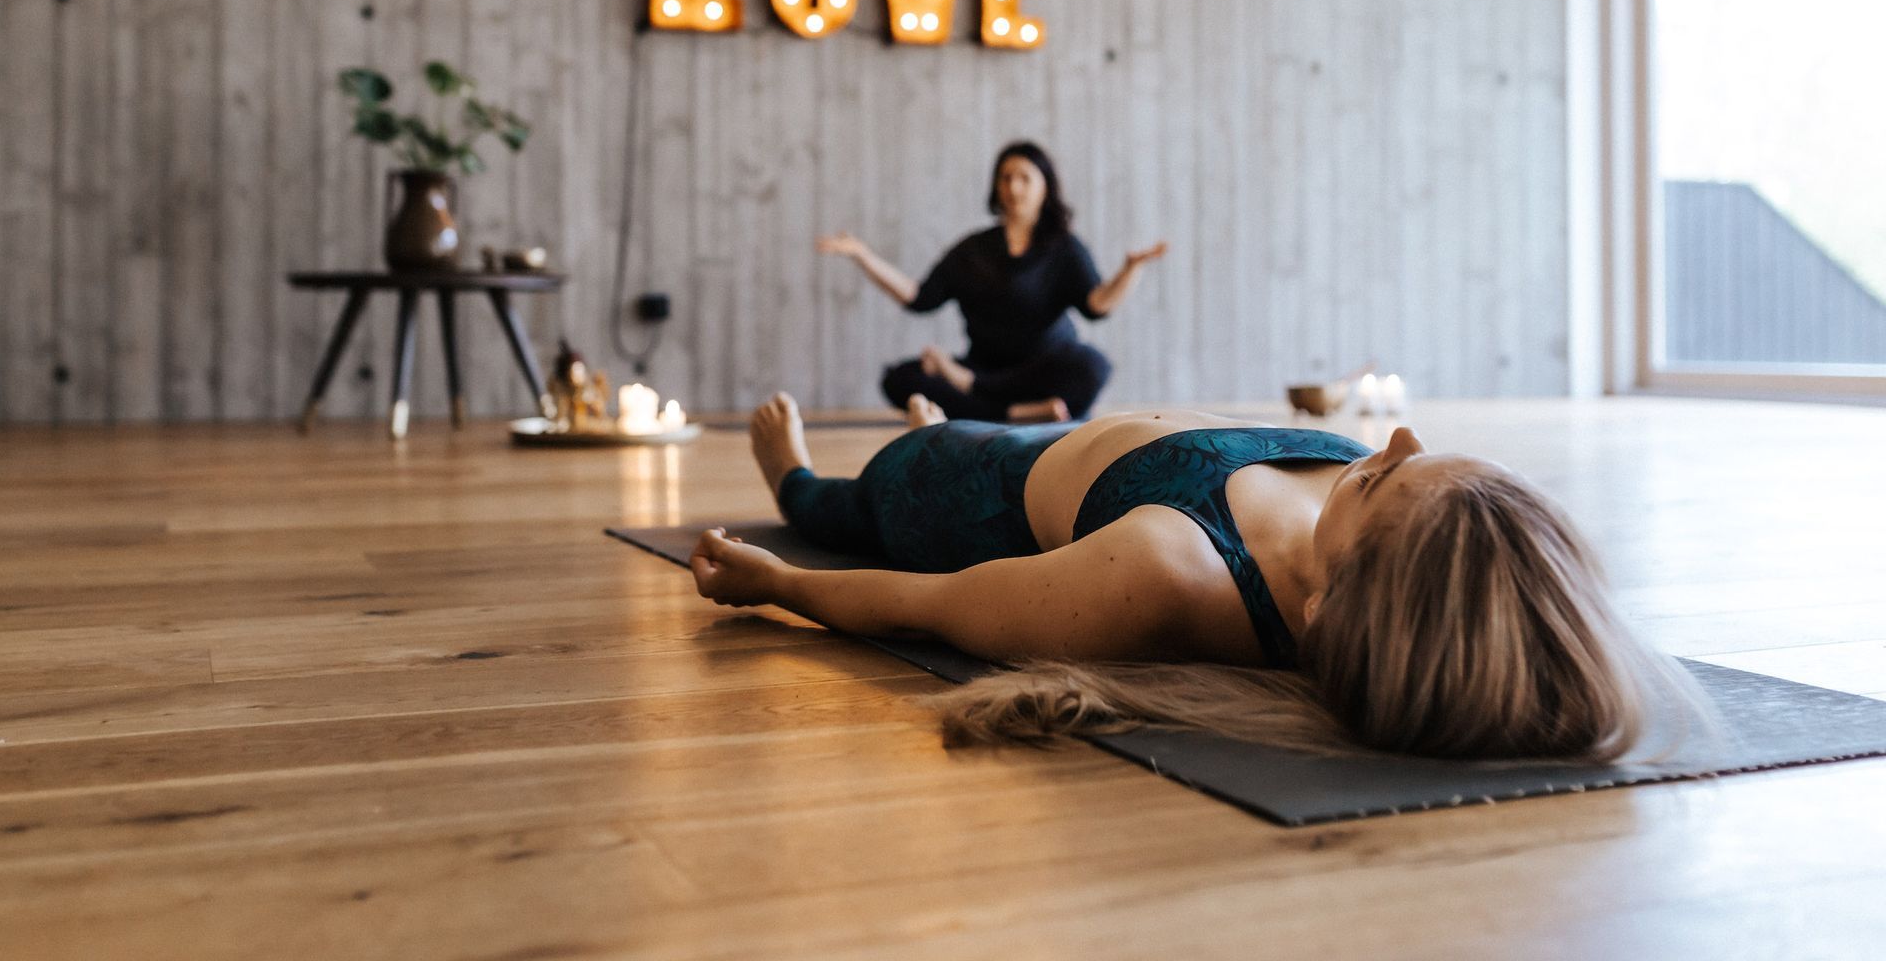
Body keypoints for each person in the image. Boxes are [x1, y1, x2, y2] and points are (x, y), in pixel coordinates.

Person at [689, 393, 1705, 761]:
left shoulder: (1165, 572)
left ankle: (810, 472)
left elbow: (929, 603)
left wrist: (779, 578)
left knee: (862, 492)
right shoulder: (1399, 552)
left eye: (1390, 470)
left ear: (1324, 606)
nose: (1392, 434)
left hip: (968, 483)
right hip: (1089, 437)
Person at [817, 141, 1166, 422]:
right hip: (984, 366)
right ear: (996, 186)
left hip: (1042, 371)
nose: (1014, 187)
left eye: (1025, 178)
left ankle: (981, 395)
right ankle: (1014, 413)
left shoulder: (1064, 248)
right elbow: (920, 297)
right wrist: (863, 255)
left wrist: (1129, 270)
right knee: (900, 380)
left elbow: (1096, 306)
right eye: (1006, 177)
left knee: (1092, 367)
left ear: (1046, 187)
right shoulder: (973, 249)